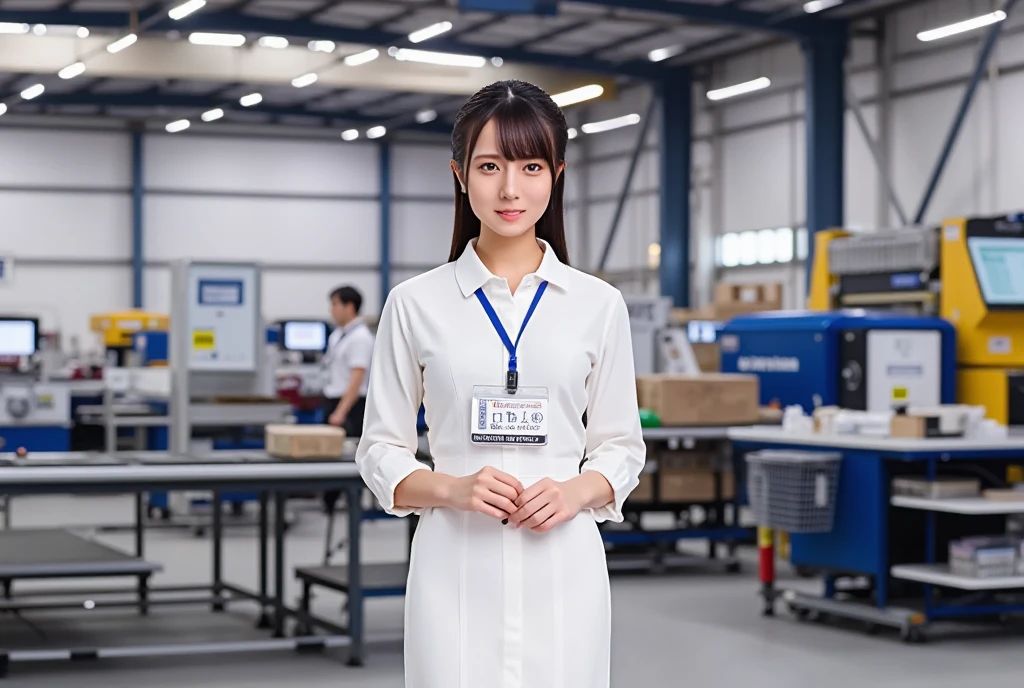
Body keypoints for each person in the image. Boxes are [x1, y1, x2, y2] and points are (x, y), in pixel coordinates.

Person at [355, 79, 646, 688]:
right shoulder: (415, 304)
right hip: (455, 568)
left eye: (531, 166)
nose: (510, 188)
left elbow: (622, 446)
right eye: (490, 166)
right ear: (460, 174)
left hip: (565, 565)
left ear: (556, 173)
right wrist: (452, 489)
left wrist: (574, 493)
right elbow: (380, 449)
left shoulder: (599, 305)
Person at [322, 285, 374, 438]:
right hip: (333, 399)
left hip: (350, 406)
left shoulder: (360, 338)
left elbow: (357, 378)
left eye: (335, 304)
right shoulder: (338, 334)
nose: (331, 310)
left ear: (349, 307)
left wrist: (340, 412)